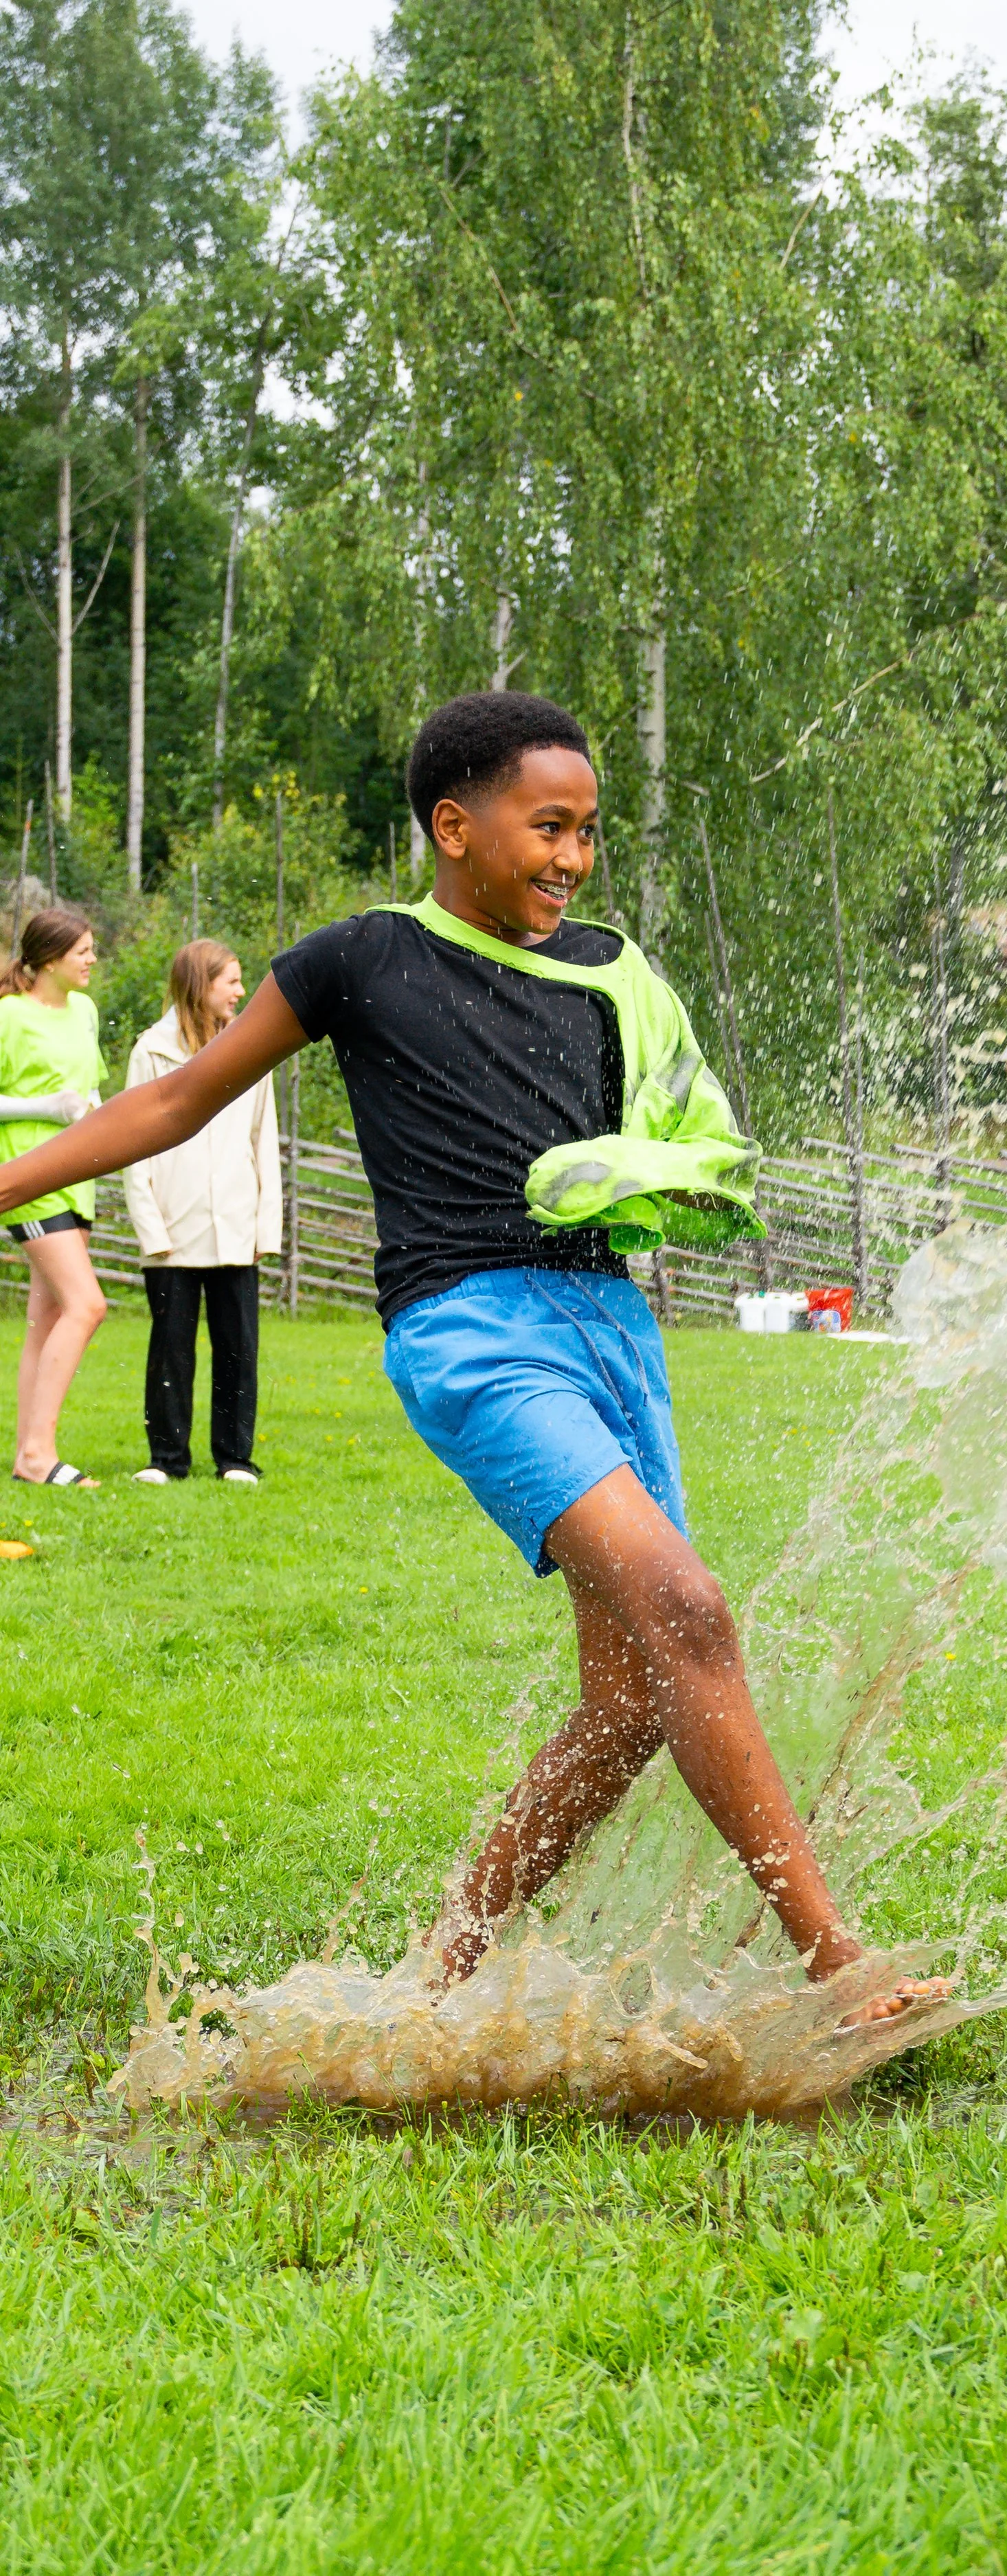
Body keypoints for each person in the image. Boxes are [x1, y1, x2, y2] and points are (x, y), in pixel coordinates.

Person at [0, 692, 940, 2028]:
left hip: (610, 1330)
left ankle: (428, 1984)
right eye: (547, 826)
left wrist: (647, 1171)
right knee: (690, 1614)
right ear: (455, 824)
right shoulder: (359, 961)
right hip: (469, 1333)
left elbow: (705, 1145)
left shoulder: (616, 973)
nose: (572, 857)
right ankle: (840, 1967)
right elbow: (176, 1098)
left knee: (625, 1709)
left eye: (589, 833)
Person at [124, 939, 281, 1487]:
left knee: (238, 1347)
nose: (241, 991)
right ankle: (166, 1459)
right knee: (171, 1349)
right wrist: (149, 1226)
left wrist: (267, 1227)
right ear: (201, 986)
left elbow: (265, 1142)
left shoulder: (250, 1051)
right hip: (172, 1227)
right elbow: (132, 1144)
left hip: (237, 1226)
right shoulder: (151, 1052)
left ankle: (235, 1458)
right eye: (232, 982)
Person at [0, 907, 107, 1488]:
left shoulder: (86, 1011)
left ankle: (29, 1455)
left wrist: (92, 1113)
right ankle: (40, 1455)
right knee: (87, 1305)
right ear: (47, 959)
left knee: (46, 1318)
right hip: (27, 1177)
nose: (93, 960)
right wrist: (45, 1109)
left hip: (78, 1175)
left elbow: (89, 1087)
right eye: (83, 951)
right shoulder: (8, 1017)